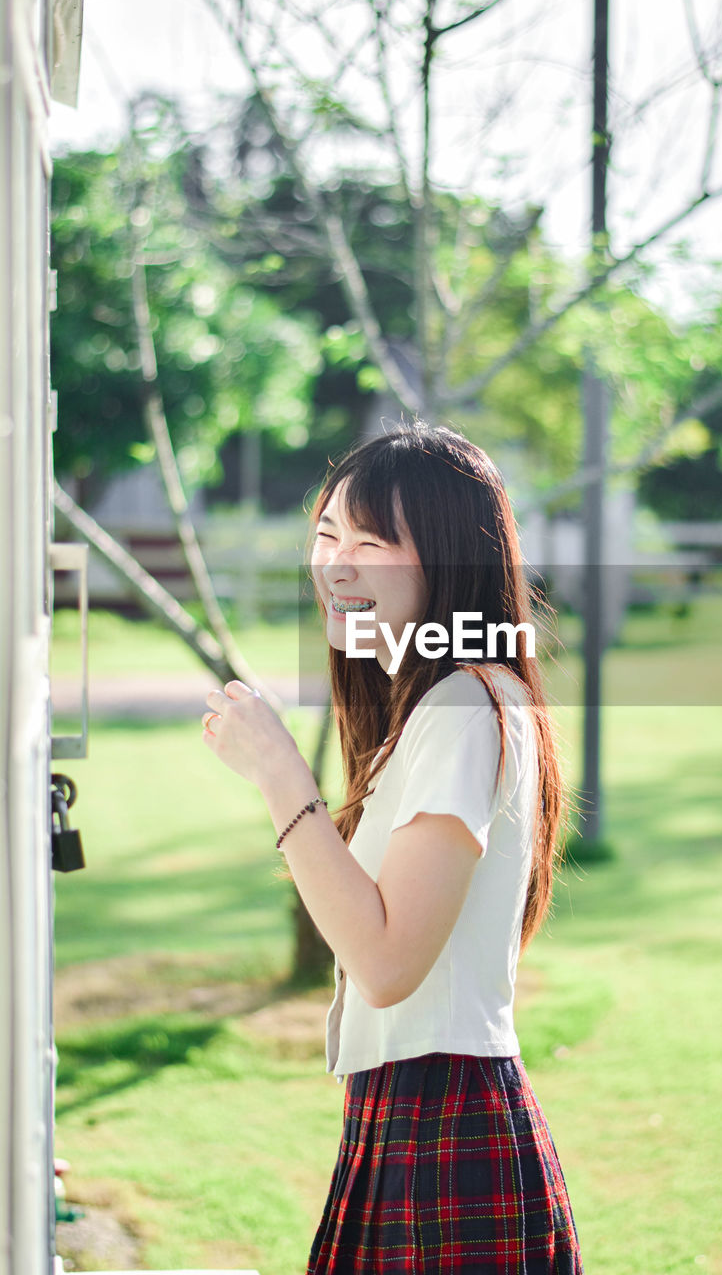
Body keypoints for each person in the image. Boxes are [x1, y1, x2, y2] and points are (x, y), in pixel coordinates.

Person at [201, 423, 584, 1274]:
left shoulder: (461, 705)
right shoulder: (430, 710)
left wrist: (278, 776)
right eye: (328, 533)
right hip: (408, 1114)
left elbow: (385, 962)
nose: (337, 564)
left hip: (445, 1120)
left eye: (372, 542)